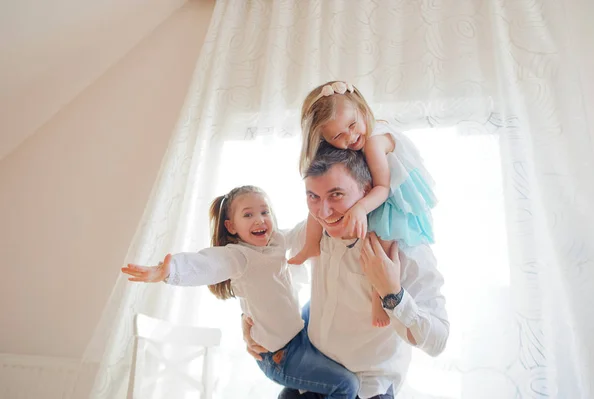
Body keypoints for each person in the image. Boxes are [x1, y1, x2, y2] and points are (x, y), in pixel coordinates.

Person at [244, 145, 449, 399]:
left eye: (336, 195)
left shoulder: (405, 248)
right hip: (311, 381)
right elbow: (257, 262)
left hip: (368, 391)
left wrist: (392, 294)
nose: (324, 212)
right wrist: (251, 321)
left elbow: (439, 340)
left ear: (366, 191)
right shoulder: (315, 231)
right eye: (313, 197)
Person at [121, 185, 359, 398]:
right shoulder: (238, 256)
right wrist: (167, 271)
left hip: (297, 336)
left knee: (319, 303)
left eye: (265, 212)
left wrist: (325, 205)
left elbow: (303, 231)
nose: (260, 220)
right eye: (248, 215)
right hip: (279, 356)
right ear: (231, 226)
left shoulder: (276, 241)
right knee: (346, 385)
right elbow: (207, 264)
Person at [289, 81, 437, 328]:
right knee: (317, 205)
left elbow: (383, 188)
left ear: (361, 109)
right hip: (372, 190)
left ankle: (380, 297)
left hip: (392, 196)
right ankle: (310, 246)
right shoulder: (349, 146)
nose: (350, 137)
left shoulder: (373, 142)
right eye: (338, 136)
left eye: (352, 125)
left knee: (379, 238)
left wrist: (359, 208)